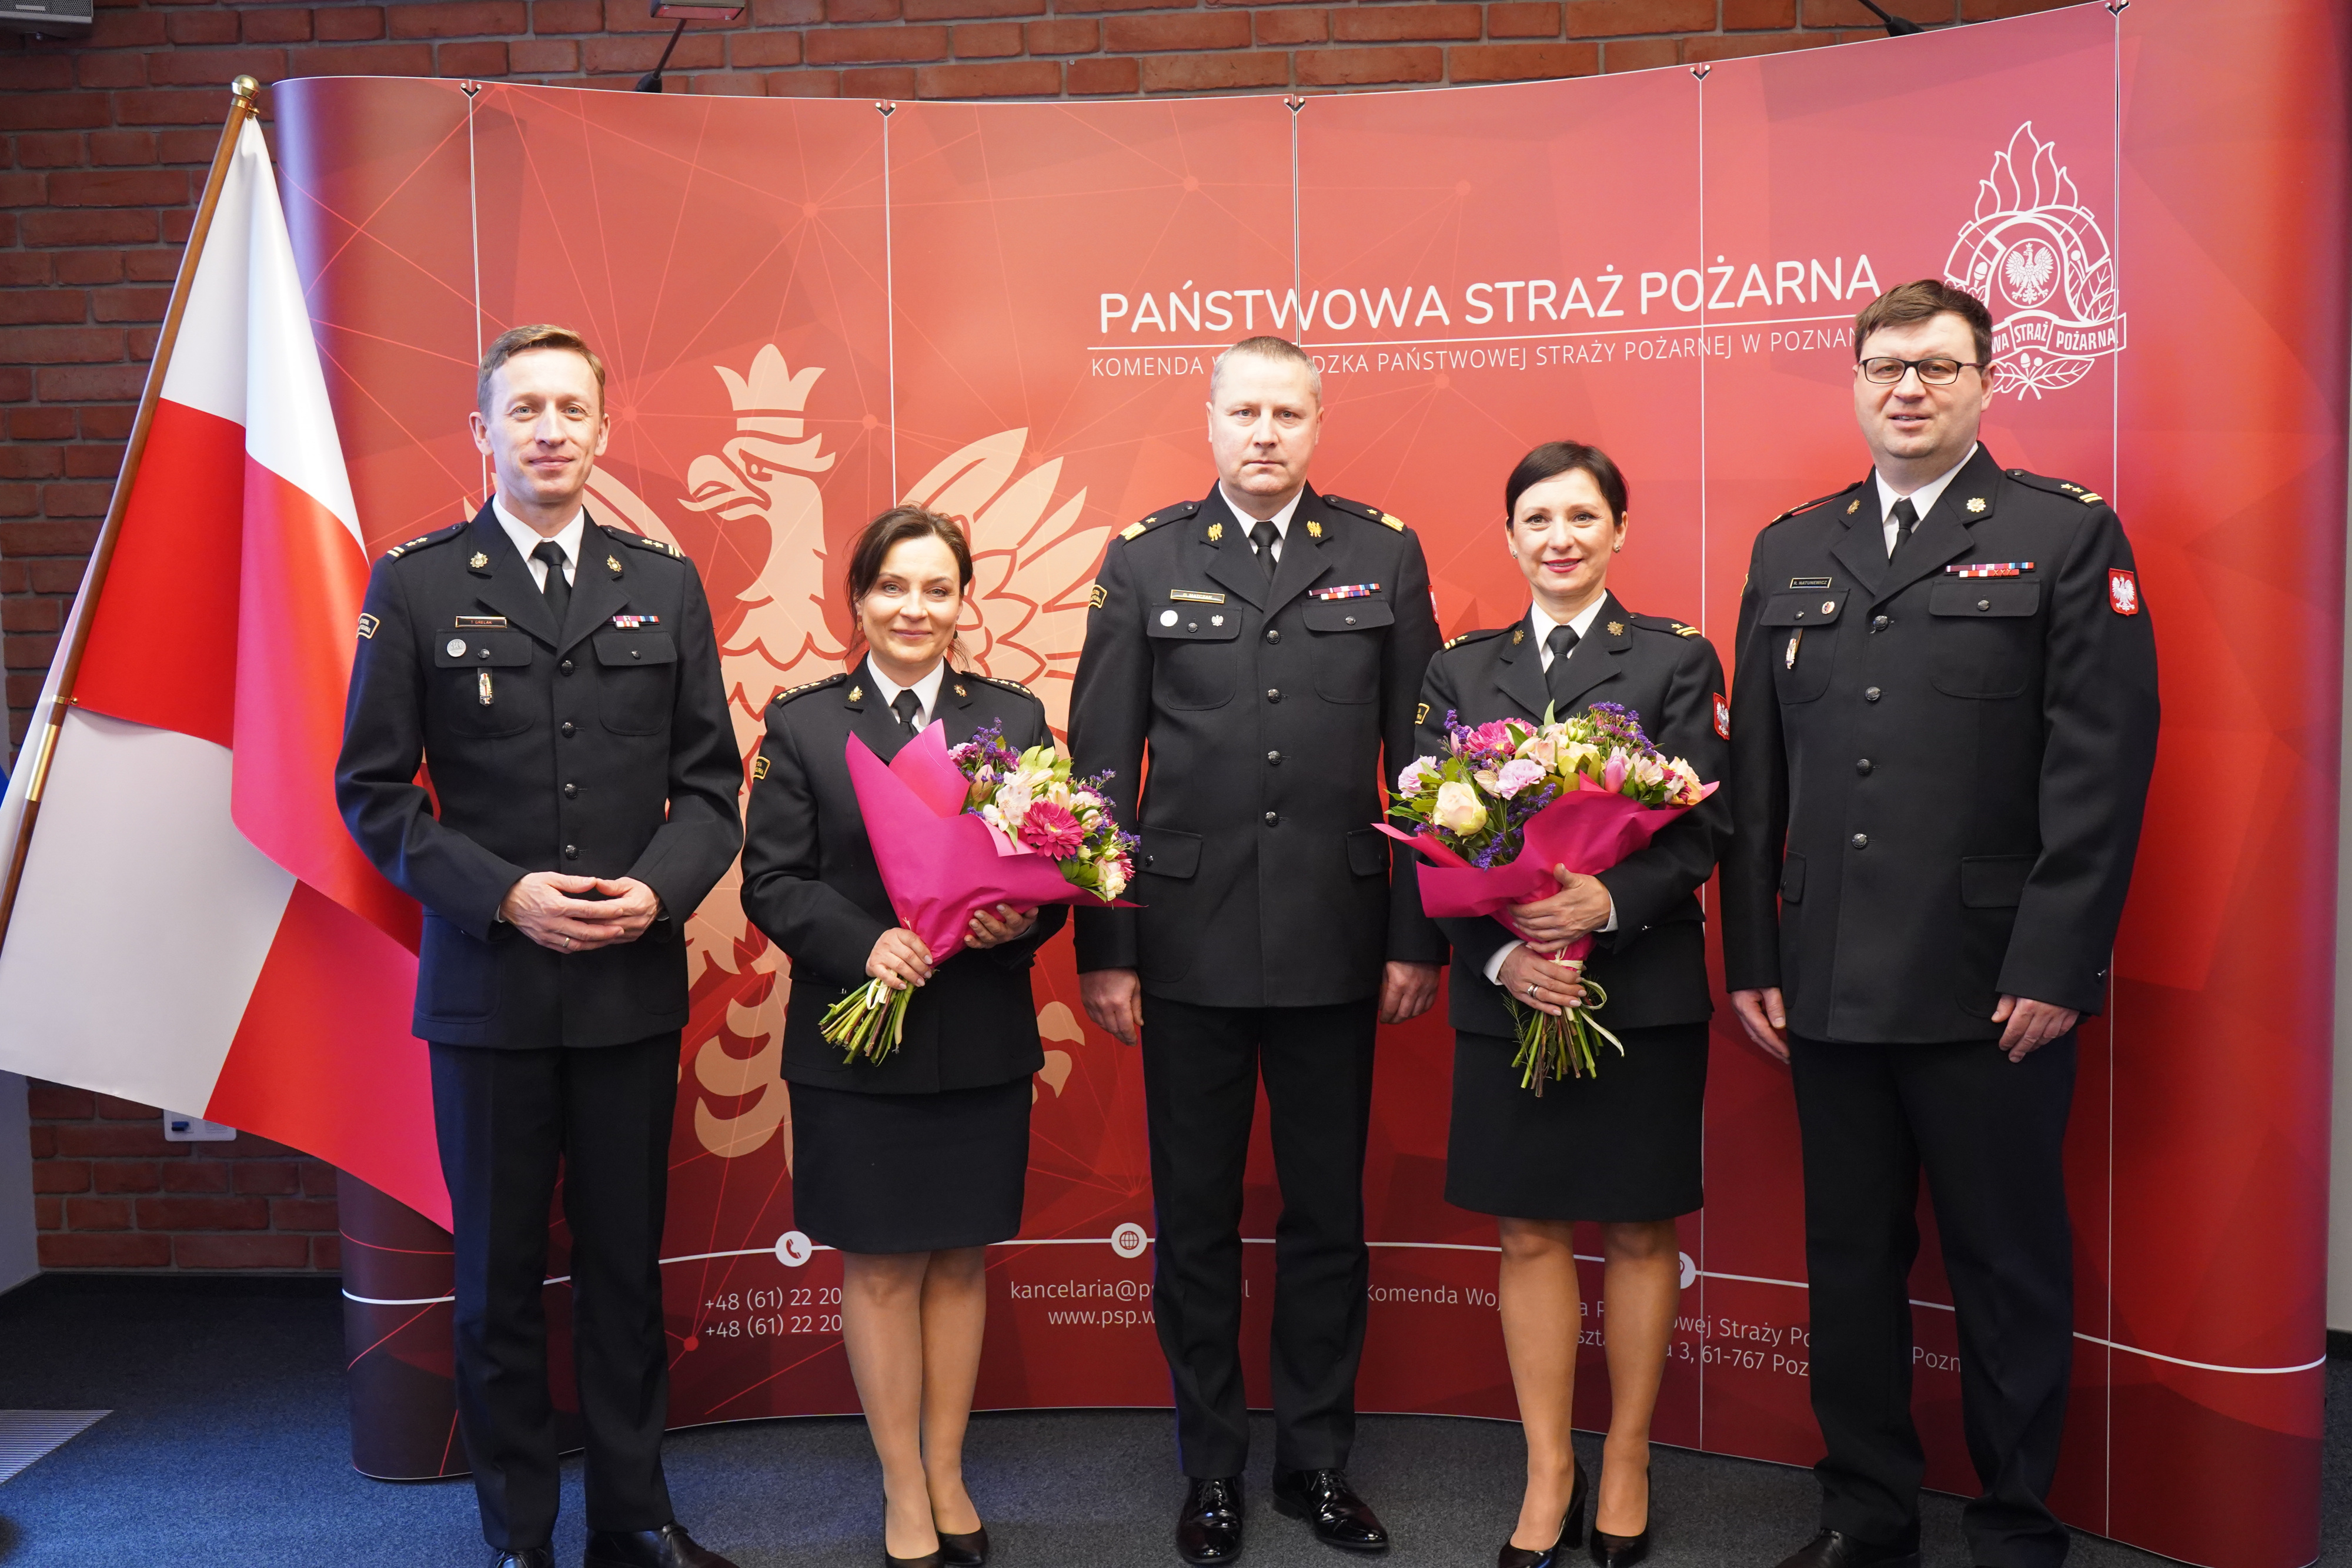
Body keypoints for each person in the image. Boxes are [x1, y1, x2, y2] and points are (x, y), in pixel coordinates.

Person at [1720, 280, 2160, 1568]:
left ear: (1985, 381)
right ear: (1855, 382)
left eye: (1935, 366)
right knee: (1850, 1260)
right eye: (1884, 366)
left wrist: (2056, 962)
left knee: (2004, 1268)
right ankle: (1864, 1513)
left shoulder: (2061, 534)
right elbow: (1757, 781)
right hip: (1826, 979)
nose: (1905, 388)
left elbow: (2100, 767)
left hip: (1989, 984)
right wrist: (1752, 952)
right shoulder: (1791, 547)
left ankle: (2016, 1528)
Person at [336, 325, 744, 1568]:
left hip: (626, 987)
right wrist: (505, 894)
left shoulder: (662, 583)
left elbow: (710, 789)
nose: (551, 429)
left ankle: (634, 1517)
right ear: (484, 433)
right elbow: (373, 793)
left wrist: (656, 894)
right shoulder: (415, 585)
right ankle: (518, 1536)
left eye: (572, 408)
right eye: (525, 409)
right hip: (489, 992)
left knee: (626, 1273)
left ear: (604, 430)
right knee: (498, 1280)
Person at [1068, 335, 1446, 1566]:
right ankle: (1212, 1469)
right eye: (1245, 412)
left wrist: (1416, 933)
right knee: (1194, 1220)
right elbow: (1098, 770)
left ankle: (1316, 1461)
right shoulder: (1146, 558)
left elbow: (1425, 769)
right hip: (1185, 941)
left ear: (1318, 423)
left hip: (1341, 936)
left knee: (1327, 1214)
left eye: (1287, 412)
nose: (1266, 432)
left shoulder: (1381, 553)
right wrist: (1107, 945)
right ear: (1211, 421)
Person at [1413, 442, 1729, 1568]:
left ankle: (1628, 1456)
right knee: (1530, 1229)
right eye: (1538, 519)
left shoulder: (1677, 659)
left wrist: (1610, 901)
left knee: (1640, 1228)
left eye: (1583, 517)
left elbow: (1705, 825)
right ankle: (1550, 1468)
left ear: (1619, 531)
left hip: (1638, 990)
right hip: (1510, 996)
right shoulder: (1459, 670)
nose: (1561, 538)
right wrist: (1503, 958)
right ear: (1509, 539)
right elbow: (1427, 836)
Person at [739, 506, 1066, 1568]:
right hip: (855, 1041)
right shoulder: (803, 724)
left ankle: (949, 1468)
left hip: (977, 1030)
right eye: (892, 587)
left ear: (965, 601)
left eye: (937, 589)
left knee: (961, 1260)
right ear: (858, 599)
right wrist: (865, 942)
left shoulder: (1012, 719)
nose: (914, 609)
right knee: (881, 1268)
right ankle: (900, 1483)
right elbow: (771, 882)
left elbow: (1052, 869)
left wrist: (1023, 919)